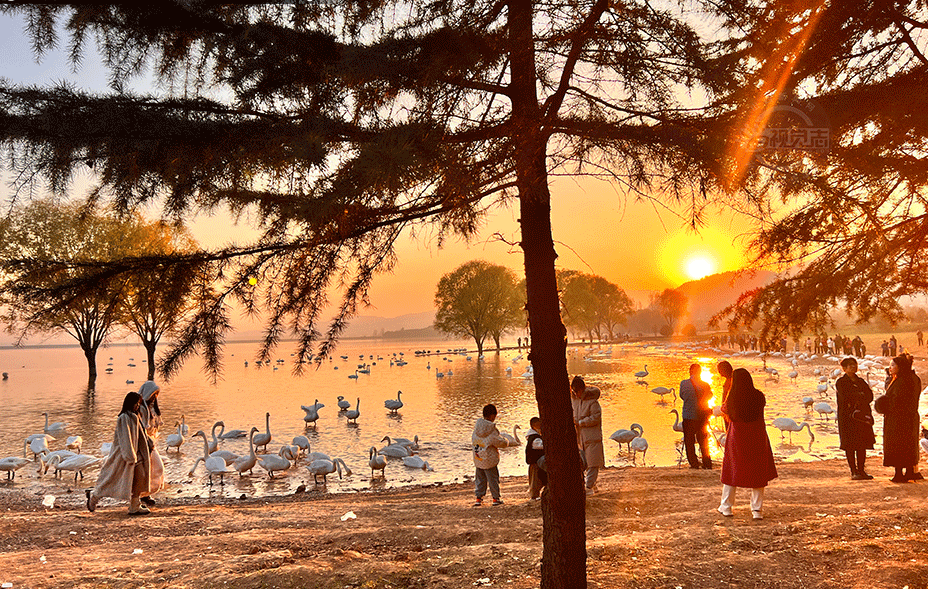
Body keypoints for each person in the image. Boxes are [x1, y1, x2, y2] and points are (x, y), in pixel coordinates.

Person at [718, 368, 777, 520]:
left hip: (737, 438)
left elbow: (724, 410)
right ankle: (757, 510)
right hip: (757, 437)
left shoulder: (733, 398)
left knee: (732, 471)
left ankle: (727, 507)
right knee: (757, 473)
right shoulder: (759, 396)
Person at [86, 392, 152, 515]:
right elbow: (125, 438)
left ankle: (134, 506)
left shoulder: (134, 417)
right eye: (136, 404)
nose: (137, 406)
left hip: (137, 454)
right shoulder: (123, 418)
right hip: (124, 455)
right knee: (111, 479)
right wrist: (130, 455)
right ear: (130, 403)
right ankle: (94, 496)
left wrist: (148, 443)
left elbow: (141, 434)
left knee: (139, 479)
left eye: (138, 404)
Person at [875, 354, 922, 483]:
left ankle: (899, 473)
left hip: (898, 418)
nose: (890, 368)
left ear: (900, 367)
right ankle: (909, 471)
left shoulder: (901, 381)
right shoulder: (912, 378)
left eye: (893, 365)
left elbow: (897, 400)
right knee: (909, 443)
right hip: (910, 417)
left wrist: (884, 405)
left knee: (897, 444)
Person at [835, 357, 876, 480]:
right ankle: (853, 471)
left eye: (854, 365)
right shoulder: (841, 382)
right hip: (848, 417)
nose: (853, 367)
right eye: (850, 365)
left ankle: (862, 470)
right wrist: (860, 395)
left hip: (861, 417)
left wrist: (859, 396)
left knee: (862, 444)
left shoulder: (861, 381)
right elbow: (847, 396)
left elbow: (869, 396)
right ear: (844, 368)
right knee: (850, 445)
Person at [571, 375, 605, 494]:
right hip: (580, 437)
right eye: (574, 391)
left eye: (577, 391)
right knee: (583, 463)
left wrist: (580, 423)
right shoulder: (575, 401)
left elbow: (596, 417)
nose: (576, 394)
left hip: (592, 436)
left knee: (593, 463)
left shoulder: (592, 402)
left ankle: (588, 487)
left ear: (582, 390)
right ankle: (592, 484)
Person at [472, 404, 509, 506]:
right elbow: (499, 442)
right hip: (489, 458)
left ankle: (478, 499)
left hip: (478, 457)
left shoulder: (476, 428)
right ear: (492, 416)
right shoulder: (490, 429)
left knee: (480, 479)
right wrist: (506, 442)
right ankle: (495, 499)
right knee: (493, 478)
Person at [679, 363, 713, 469]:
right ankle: (707, 463)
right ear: (700, 372)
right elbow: (710, 396)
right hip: (701, 416)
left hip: (688, 416)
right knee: (703, 441)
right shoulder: (705, 385)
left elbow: (682, 396)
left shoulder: (684, 383)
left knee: (689, 441)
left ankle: (694, 463)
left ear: (690, 372)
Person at [138, 381, 164, 507]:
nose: (155, 397)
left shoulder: (151, 408)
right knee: (154, 468)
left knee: (153, 469)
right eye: (153, 394)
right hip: (144, 444)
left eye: (156, 395)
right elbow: (140, 428)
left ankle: (145, 494)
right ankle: (141, 495)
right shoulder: (141, 409)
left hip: (150, 443)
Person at [525, 416, 546, 500]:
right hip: (535, 462)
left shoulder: (535, 436)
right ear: (534, 426)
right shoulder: (534, 438)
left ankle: (535, 494)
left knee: (537, 479)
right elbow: (541, 446)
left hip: (537, 461)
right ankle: (534, 495)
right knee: (535, 480)